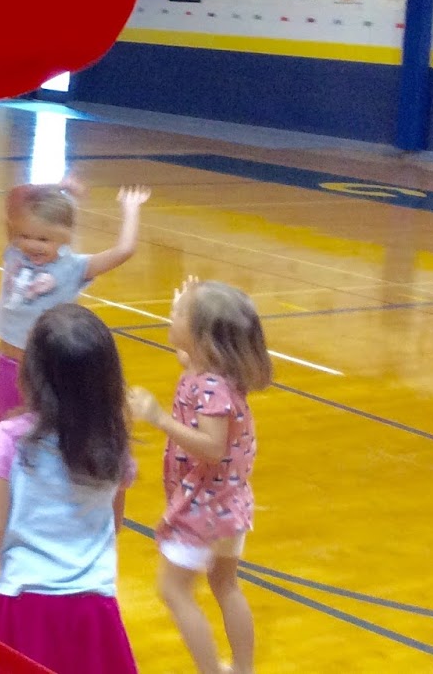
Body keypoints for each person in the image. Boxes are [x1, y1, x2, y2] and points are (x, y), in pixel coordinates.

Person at [0, 304, 138, 674]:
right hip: (94, 606)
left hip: (25, 603)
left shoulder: (9, 440)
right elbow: (115, 523)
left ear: (30, 374)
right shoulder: (113, 442)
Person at [130, 277, 272, 674]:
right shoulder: (211, 369)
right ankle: (242, 669)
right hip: (229, 503)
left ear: (202, 336)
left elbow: (212, 447)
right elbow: (184, 353)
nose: (169, 315)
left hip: (205, 506)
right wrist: (187, 303)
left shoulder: (211, 387)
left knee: (172, 590)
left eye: (177, 313)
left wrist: (158, 418)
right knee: (225, 585)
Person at [0, 176, 149, 419]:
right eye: (25, 236)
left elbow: (124, 250)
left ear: (66, 237)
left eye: (43, 239)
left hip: (48, 371)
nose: (32, 244)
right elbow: (15, 197)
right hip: (8, 364)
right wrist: (56, 188)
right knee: (6, 432)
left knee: (46, 435)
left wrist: (130, 209)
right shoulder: (14, 251)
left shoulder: (74, 268)